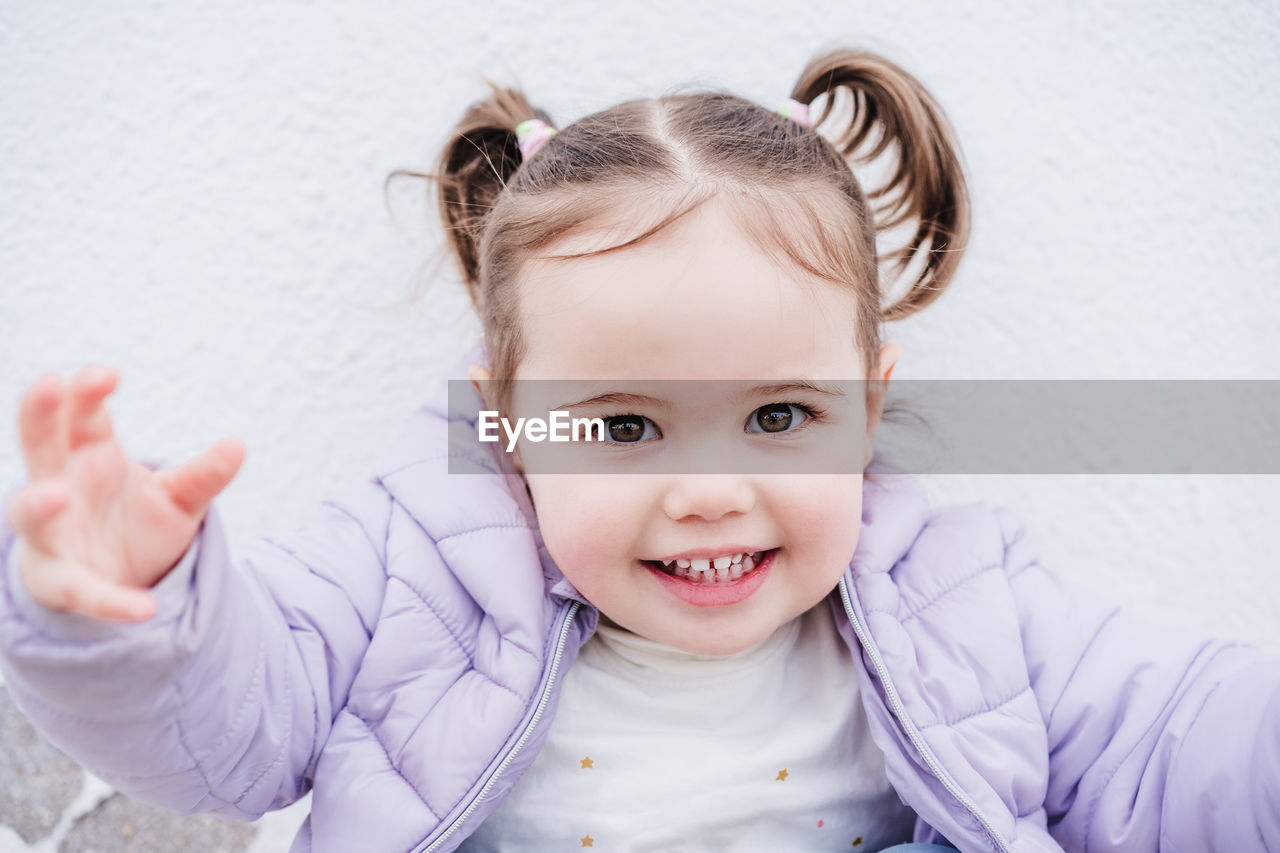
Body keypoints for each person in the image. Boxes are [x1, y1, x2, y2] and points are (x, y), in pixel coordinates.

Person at [1, 47, 1276, 853]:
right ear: (506, 419)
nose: (709, 492)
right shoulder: (407, 575)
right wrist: (136, 615)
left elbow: (1168, 738)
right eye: (619, 426)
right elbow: (230, 731)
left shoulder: (966, 593)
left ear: (867, 406)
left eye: (780, 416)